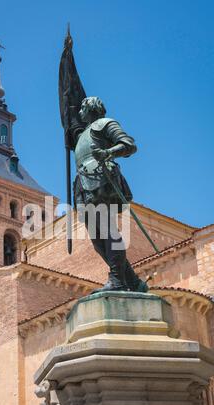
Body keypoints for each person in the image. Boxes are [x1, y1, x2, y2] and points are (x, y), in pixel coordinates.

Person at [71, 97, 148, 293]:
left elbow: (129, 145)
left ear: (90, 108)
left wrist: (107, 152)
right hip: (84, 185)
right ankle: (132, 281)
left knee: (108, 231)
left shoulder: (104, 124)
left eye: (82, 109)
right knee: (98, 241)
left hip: (102, 180)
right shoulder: (81, 137)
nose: (80, 113)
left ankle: (117, 279)